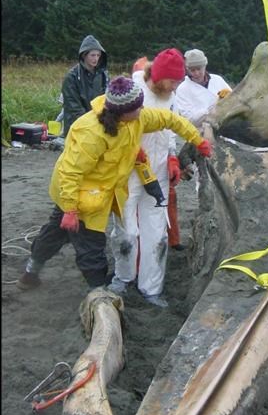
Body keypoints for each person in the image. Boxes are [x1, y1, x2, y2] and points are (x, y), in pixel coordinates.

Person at [17, 76, 212, 292]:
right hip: (79, 195)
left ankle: (30, 273)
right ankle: (99, 292)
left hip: (100, 191)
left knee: (54, 233)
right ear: (121, 111)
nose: (142, 109)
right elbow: (71, 172)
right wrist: (71, 209)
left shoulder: (136, 118)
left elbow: (171, 120)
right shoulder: (91, 133)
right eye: (137, 107)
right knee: (90, 248)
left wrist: (198, 141)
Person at [108, 49, 189, 307]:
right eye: (174, 81)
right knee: (126, 228)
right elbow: (114, 125)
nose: (177, 86)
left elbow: (172, 127)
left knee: (157, 231)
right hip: (130, 171)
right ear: (160, 75)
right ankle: (123, 277)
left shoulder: (171, 95)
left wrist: (172, 157)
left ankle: (151, 288)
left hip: (159, 171)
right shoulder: (131, 90)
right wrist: (131, 149)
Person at [52, 35, 109, 150]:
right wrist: (91, 123)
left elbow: (106, 99)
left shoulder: (103, 75)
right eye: (92, 55)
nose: (96, 59)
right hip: (77, 127)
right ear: (84, 55)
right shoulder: (71, 77)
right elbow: (73, 107)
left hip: (98, 126)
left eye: (98, 55)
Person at [175, 48, 232, 127]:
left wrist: (230, 97)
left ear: (205, 66)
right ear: (187, 69)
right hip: (199, 133)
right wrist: (215, 105)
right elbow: (190, 120)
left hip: (225, 126)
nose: (196, 73)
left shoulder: (217, 79)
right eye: (192, 70)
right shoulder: (183, 89)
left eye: (199, 69)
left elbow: (234, 103)